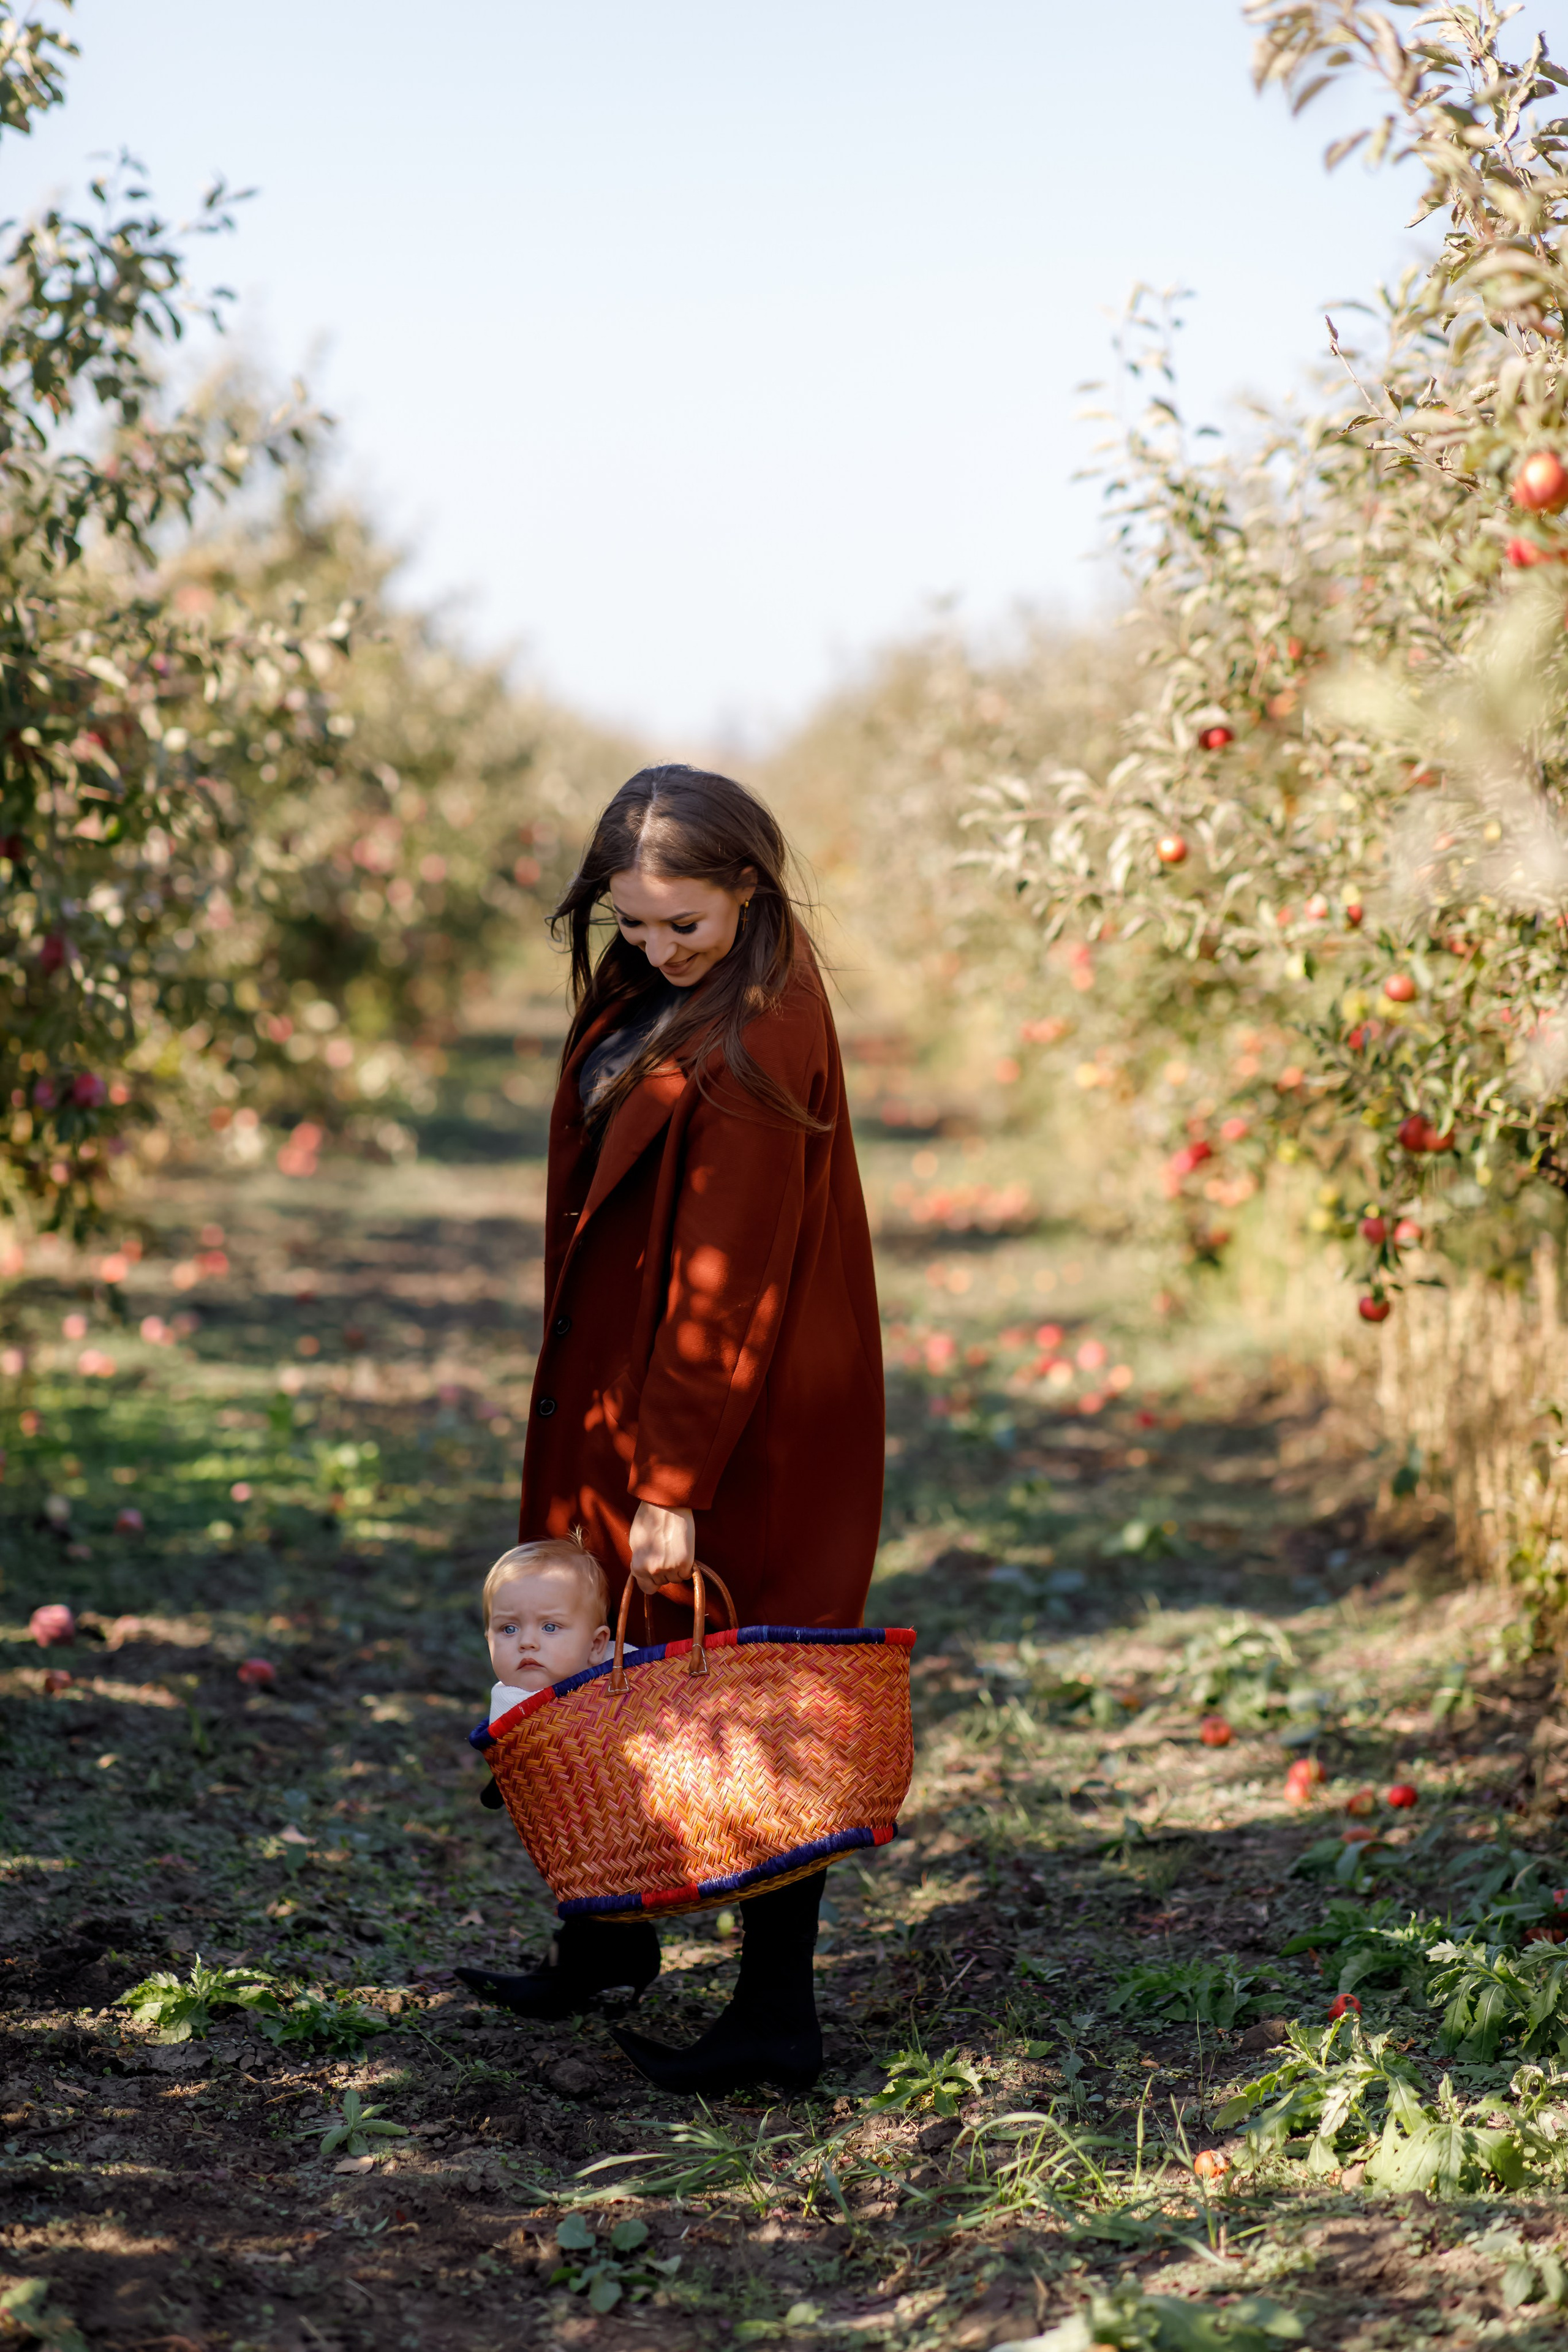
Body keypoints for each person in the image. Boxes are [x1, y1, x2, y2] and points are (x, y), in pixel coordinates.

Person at [458, 762, 884, 2095]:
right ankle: (604, 1939)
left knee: (755, 1688)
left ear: (746, 888)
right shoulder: (665, 984)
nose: (651, 945)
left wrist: (671, 1476)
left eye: (678, 923)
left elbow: (731, 1279)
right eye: (629, 920)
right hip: (620, 1382)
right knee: (608, 1657)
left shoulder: (756, 1025)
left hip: (728, 1410)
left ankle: (773, 2016)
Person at [481, 1537, 612, 1718]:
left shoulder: (633, 1678)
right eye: (509, 1629)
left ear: (596, 1645)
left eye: (550, 1627)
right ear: (489, 1641)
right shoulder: (508, 1712)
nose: (527, 1642)